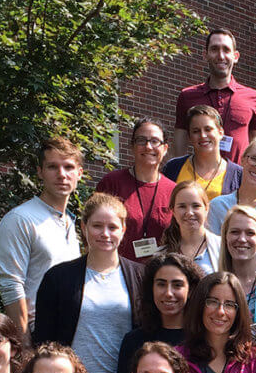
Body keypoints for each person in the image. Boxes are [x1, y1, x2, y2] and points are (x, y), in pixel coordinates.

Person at [33, 193, 146, 373]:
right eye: (97, 226)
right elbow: (43, 339)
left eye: (112, 227)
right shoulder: (58, 278)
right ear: (84, 227)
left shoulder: (141, 277)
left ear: (124, 229)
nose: (105, 234)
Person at [0, 136, 83, 341]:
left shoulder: (70, 221)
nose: (62, 175)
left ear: (79, 173)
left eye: (68, 167)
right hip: (37, 333)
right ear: (40, 171)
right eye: (53, 167)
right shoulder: (20, 219)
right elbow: (11, 286)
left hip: (69, 333)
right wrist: (24, 346)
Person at [115, 254, 203, 373]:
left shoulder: (203, 339)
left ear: (190, 290)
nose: (169, 293)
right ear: (151, 289)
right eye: (161, 284)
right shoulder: (134, 341)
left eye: (177, 285)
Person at [173, 28, 256, 163]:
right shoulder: (187, 96)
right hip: (199, 181)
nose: (221, 56)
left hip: (239, 181)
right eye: (215, 49)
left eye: (226, 50)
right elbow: (178, 150)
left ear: (236, 56)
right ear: (205, 55)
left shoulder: (253, 97)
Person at [97, 118, 176, 263]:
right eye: (141, 140)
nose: (148, 146)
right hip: (117, 272)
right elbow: (94, 229)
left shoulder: (174, 191)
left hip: (158, 277)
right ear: (132, 146)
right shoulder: (111, 183)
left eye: (155, 141)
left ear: (165, 149)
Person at [163, 105, 243, 202]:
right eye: (196, 131)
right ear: (189, 136)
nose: (203, 135)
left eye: (208, 129)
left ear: (221, 133)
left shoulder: (238, 176)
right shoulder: (173, 167)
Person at [217, 205, 256, 321]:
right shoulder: (214, 284)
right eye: (235, 232)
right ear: (225, 237)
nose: (242, 239)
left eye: (250, 233)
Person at [160, 181, 222, 273]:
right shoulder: (161, 254)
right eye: (182, 206)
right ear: (173, 211)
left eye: (196, 206)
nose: (189, 212)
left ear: (206, 209)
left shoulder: (223, 246)